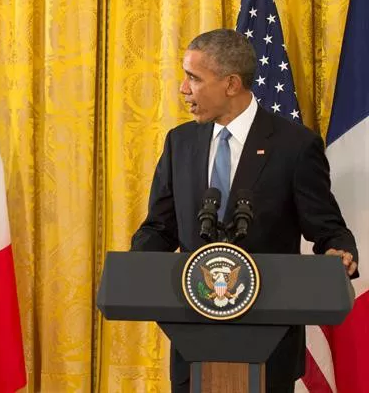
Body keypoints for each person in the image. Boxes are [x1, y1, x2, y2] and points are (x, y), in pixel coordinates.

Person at [130, 29, 359, 393]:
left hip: (268, 348)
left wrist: (340, 250)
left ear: (231, 84)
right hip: (195, 345)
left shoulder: (295, 146)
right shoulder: (181, 143)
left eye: (193, 78)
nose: (182, 89)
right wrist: (135, 268)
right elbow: (160, 227)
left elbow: (327, 226)